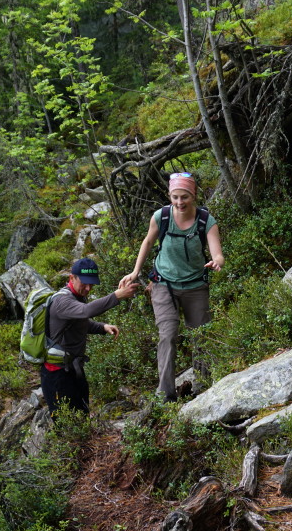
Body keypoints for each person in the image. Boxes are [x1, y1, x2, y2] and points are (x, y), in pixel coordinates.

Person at [120, 172, 224, 401]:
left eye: (184, 197)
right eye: (175, 197)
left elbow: (217, 252)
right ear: (170, 196)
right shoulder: (161, 217)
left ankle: (205, 387)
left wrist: (216, 261)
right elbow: (147, 242)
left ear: (193, 195)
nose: (179, 202)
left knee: (201, 337)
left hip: (195, 285)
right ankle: (165, 395)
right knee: (168, 335)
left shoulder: (206, 221)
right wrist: (136, 271)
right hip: (163, 284)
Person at [42, 257, 139, 416]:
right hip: (57, 374)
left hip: (73, 369)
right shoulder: (62, 301)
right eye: (84, 283)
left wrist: (102, 327)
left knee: (83, 415)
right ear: (71, 278)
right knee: (66, 425)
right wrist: (117, 296)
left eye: (91, 284)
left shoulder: (77, 296)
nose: (88, 288)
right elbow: (86, 311)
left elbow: (80, 321)